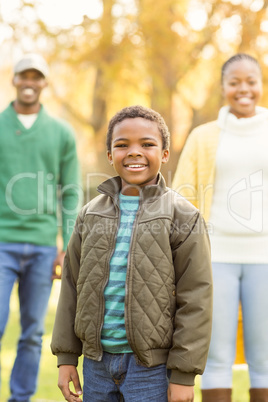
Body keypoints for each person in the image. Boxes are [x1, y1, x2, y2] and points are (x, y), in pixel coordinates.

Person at [51, 105, 212, 402]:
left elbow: (196, 298)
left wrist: (183, 375)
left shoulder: (183, 217)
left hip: (151, 368)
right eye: (122, 145)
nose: (134, 152)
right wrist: (66, 356)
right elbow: (72, 287)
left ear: (164, 153)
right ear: (110, 155)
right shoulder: (89, 215)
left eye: (147, 144)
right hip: (96, 364)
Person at [172, 53, 268, 402]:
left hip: (265, 259)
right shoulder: (203, 136)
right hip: (215, 259)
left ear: (261, 84)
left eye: (251, 81)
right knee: (215, 356)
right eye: (235, 82)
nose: (243, 89)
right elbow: (181, 199)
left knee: (264, 358)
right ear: (224, 87)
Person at [0, 53, 81, 402]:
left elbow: (72, 192)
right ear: (14, 80)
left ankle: (21, 398)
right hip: (2, 242)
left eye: (37, 76)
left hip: (45, 246)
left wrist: (67, 244)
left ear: (44, 82)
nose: (29, 82)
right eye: (23, 76)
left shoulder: (61, 132)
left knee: (33, 333)